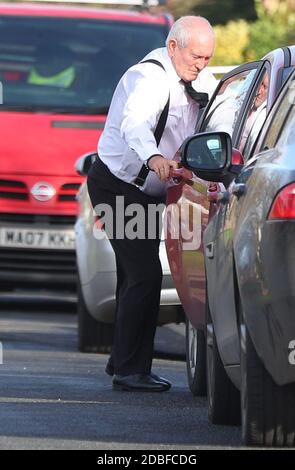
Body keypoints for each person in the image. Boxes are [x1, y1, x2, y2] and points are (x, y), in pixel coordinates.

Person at [87, 16, 217, 392]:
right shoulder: (147, 79)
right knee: (144, 274)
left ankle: (121, 361)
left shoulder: (200, 80)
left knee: (135, 275)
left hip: (150, 192)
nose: (201, 64)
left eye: (207, 58)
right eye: (196, 56)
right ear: (173, 47)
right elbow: (134, 125)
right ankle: (131, 371)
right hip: (118, 186)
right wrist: (154, 158)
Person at [240, 72, 269, 156]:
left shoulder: (263, 117)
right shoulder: (245, 107)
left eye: (265, 86)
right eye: (259, 84)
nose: (259, 92)